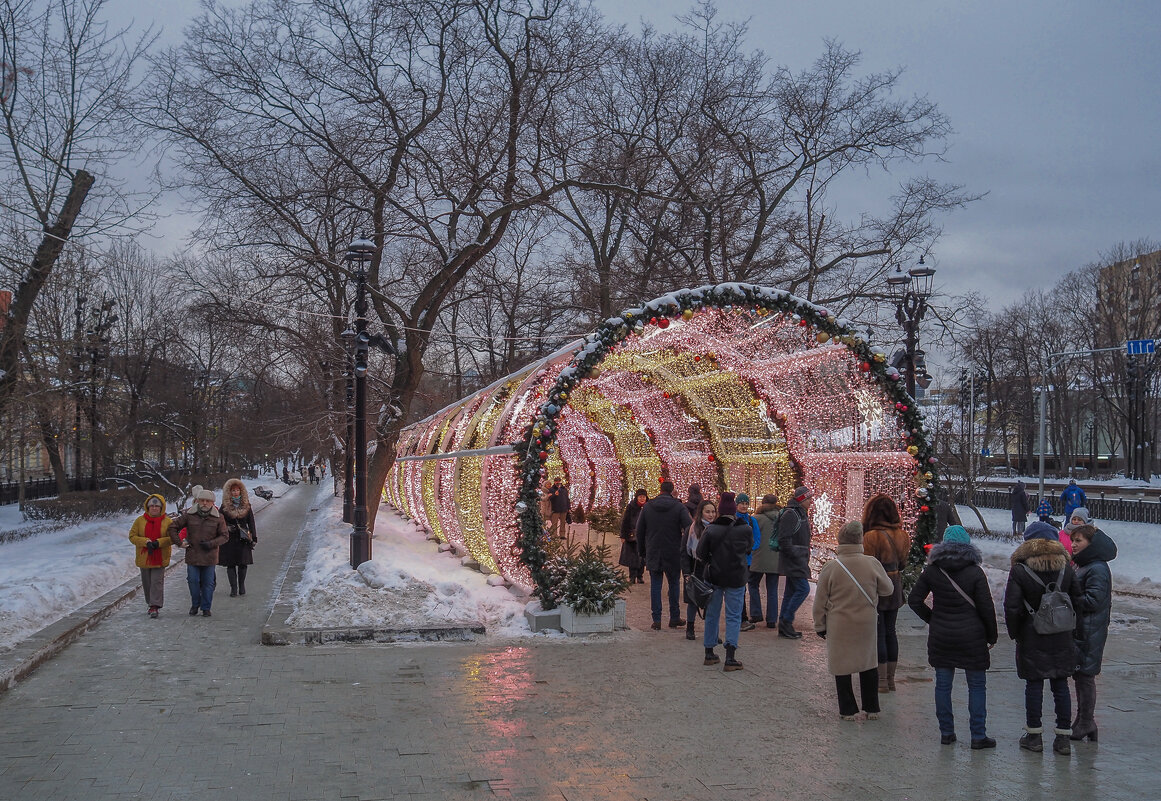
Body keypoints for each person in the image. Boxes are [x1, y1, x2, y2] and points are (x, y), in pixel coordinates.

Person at [907, 525, 998, 749]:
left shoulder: (933, 571)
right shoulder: (975, 572)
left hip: (942, 636)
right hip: (972, 637)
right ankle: (978, 735)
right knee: (976, 686)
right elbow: (987, 607)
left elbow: (914, 600)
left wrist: (933, 620)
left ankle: (946, 733)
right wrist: (991, 635)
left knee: (943, 685)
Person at [1004, 521, 1083, 755]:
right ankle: (1063, 739)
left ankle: (1034, 736)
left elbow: (1011, 606)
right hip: (1062, 635)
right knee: (1061, 685)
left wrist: (1016, 633)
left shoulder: (1020, 570)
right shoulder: (1066, 568)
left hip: (1032, 635)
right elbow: (1077, 600)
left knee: (1034, 685)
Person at [813, 520, 894, 720]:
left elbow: (820, 601)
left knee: (842, 666)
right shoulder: (872, 563)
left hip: (839, 624)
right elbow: (888, 589)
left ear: (841, 541)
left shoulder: (831, 567)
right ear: (860, 540)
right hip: (866, 623)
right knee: (868, 663)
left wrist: (820, 625)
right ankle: (872, 708)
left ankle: (848, 710)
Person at [1069, 523, 1117, 742]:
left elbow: (1094, 600)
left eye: (1079, 541)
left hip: (1089, 631)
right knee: (1081, 676)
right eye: (1073, 540)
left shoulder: (1096, 567)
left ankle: (1086, 721)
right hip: (1082, 629)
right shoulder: (1086, 565)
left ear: (1090, 543)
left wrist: (1068, 597)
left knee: (1085, 676)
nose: (1073, 544)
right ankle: (1083, 720)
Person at [696, 492, 753, 671]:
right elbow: (749, 548)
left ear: (719, 511)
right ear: (734, 510)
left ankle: (709, 652)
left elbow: (700, 554)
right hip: (736, 577)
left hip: (714, 577)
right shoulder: (745, 529)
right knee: (734, 616)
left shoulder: (711, 530)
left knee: (712, 614)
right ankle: (730, 656)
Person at [862, 493, 911, 692]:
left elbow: (867, 565)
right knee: (891, 631)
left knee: (879, 632)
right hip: (896, 583)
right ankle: (890, 679)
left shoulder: (871, 537)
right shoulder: (903, 534)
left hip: (877, 585)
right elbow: (904, 563)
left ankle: (880, 681)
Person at [636, 480, 693, 631]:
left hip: (654, 549)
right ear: (672, 490)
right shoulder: (678, 507)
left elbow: (640, 530)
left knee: (656, 584)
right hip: (673, 550)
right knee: (674, 583)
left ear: (659, 490)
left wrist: (642, 551)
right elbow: (689, 526)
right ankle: (674, 617)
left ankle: (657, 619)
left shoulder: (648, 507)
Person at [170, 488, 229, 617]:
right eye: (202, 500)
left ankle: (206, 607)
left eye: (208, 501)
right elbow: (173, 527)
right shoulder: (189, 515)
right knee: (193, 581)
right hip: (193, 555)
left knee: (208, 583)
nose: (204, 503)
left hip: (210, 556)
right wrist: (179, 543)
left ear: (212, 503)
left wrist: (211, 544)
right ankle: (195, 604)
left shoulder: (218, 517)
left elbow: (224, 536)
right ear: (197, 501)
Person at [127, 494, 177, 619]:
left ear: (161, 508)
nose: (154, 508)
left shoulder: (167, 522)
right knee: (147, 582)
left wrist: (159, 542)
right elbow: (132, 536)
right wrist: (145, 542)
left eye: (157, 506)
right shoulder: (139, 521)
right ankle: (150, 603)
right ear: (147, 507)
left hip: (160, 556)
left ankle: (155, 605)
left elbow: (172, 538)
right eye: (152, 506)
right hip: (144, 557)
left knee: (156, 581)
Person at [776, 486, 814, 639]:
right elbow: (783, 539)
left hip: (798, 559)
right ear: (801, 499)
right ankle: (786, 620)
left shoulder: (799, 513)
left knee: (790, 592)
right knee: (803, 589)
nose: (811, 501)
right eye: (808, 498)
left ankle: (784, 624)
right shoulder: (792, 514)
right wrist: (795, 554)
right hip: (795, 560)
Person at [680, 498, 717, 640]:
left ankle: (711, 631)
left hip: (713, 569)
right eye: (707, 511)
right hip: (696, 568)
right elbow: (684, 552)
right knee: (693, 600)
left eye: (713, 511)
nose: (711, 515)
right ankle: (690, 628)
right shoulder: (692, 529)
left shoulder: (717, 528)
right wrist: (686, 573)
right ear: (701, 512)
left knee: (712, 601)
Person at [218, 478, 258, 597]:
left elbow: (251, 522)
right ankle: (233, 588)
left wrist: (254, 537)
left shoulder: (246, 505)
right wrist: (226, 529)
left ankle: (242, 585)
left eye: (237, 490)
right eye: (233, 491)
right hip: (229, 538)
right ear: (229, 493)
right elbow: (220, 521)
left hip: (243, 538)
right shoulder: (224, 507)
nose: (235, 493)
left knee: (243, 563)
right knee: (230, 564)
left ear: (241, 491)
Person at [748, 493, 782, 629]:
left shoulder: (755, 519)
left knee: (752, 584)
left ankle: (756, 614)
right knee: (772, 589)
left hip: (758, 558)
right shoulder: (781, 518)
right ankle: (772, 619)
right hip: (775, 558)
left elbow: (750, 537)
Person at [734, 492, 761, 632]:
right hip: (734, 559)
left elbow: (757, 539)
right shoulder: (732, 519)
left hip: (747, 560)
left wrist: (748, 548)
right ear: (736, 504)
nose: (744, 506)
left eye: (746, 503)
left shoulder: (752, 521)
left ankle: (742, 618)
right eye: (742, 503)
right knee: (738, 589)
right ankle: (739, 618)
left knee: (742, 589)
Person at [618, 488, 648, 584]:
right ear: (637, 497)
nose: (642, 499)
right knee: (632, 556)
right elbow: (625, 521)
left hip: (644, 536)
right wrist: (623, 535)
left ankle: (640, 576)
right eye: (640, 497)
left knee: (642, 557)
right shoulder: (631, 506)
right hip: (632, 535)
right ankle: (632, 576)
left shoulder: (649, 507)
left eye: (643, 497)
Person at [548, 477, 570, 543]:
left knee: (563, 523)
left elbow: (567, 499)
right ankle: (554, 535)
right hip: (555, 508)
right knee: (554, 523)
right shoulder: (551, 489)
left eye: (558, 481)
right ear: (554, 482)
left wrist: (568, 507)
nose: (557, 482)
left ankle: (562, 535)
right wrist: (554, 495)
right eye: (556, 481)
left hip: (563, 508)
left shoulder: (564, 489)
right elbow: (549, 498)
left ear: (560, 481)